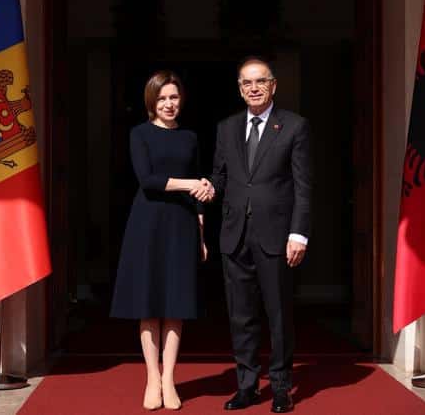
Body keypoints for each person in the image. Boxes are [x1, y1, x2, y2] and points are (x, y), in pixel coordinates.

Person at [207, 57, 311, 413]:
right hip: (234, 236)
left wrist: (299, 234)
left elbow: (303, 186)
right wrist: (207, 188)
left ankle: (281, 387)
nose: (253, 88)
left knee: (278, 314)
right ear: (239, 89)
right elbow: (221, 177)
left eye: (260, 81)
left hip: (276, 237)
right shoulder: (226, 128)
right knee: (241, 316)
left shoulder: (294, 126)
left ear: (273, 85)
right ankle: (247, 386)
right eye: (246, 83)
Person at [109, 70, 213, 411]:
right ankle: (152, 377)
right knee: (149, 303)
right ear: (152, 102)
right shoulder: (139, 134)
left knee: (176, 304)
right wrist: (191, 184)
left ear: (182, 99)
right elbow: (148, 180)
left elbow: (199, 184)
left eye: (174, 97)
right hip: (148, 224)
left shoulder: (190, 137)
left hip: (183, 225)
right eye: (162, 98)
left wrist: (201, 234)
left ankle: (169, 378)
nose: (169, 104)